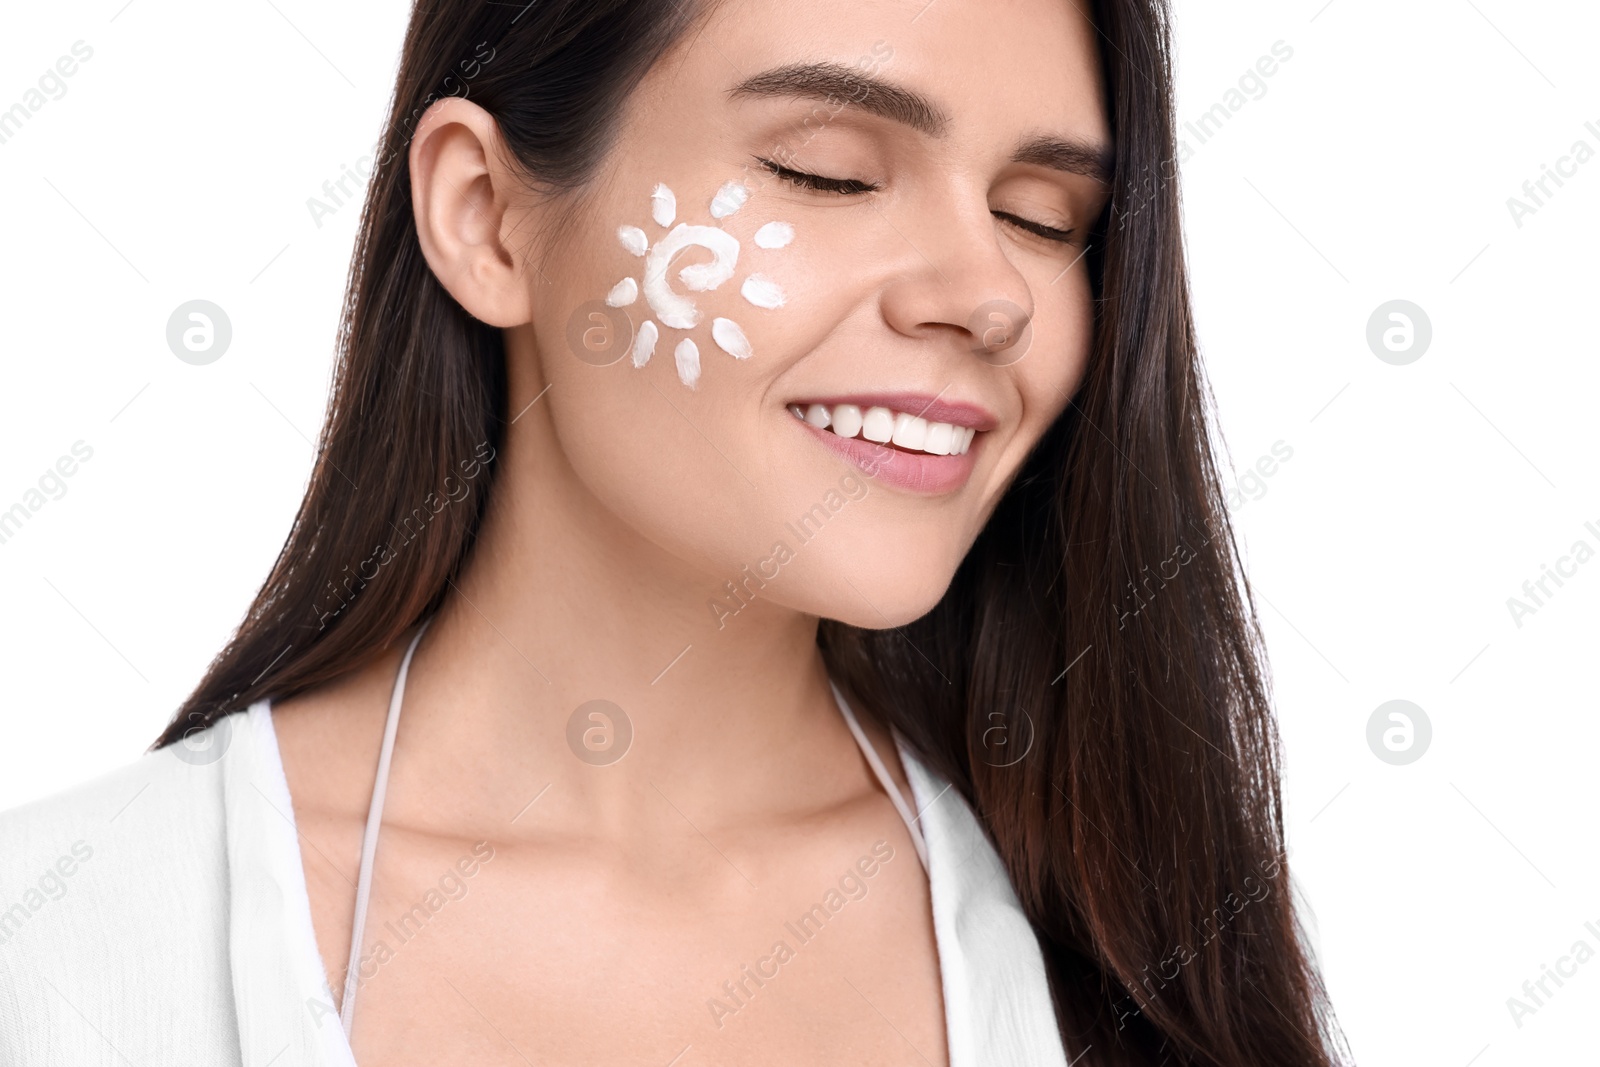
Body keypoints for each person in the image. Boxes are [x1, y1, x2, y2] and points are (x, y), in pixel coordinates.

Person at [0, 0, 1345, 1063]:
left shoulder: (1138, 952)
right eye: (824, 173)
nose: (989, 293)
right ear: (486, 216)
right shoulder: (60, 943)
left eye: (1042, 217)